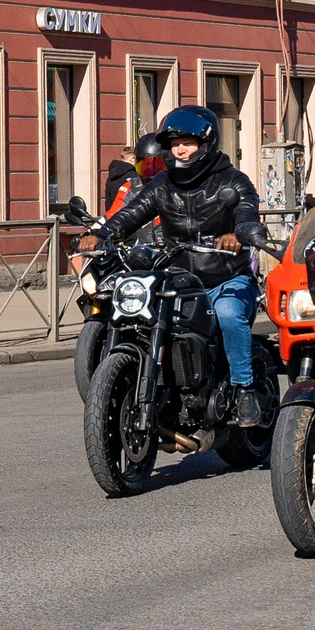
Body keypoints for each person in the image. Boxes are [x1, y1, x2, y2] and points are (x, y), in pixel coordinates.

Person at [90, 105, 275, 426]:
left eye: (188, 143)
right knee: (143, 315)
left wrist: (239, 234)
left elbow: (247, 212)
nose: (181, 150)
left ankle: (244, 388)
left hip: (226, 278)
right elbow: (131, 214)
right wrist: (101, 235)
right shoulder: (162, 184)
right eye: (175, 144)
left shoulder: (231, 181)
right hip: (176, 277)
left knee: (230, 316)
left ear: (206, 144)